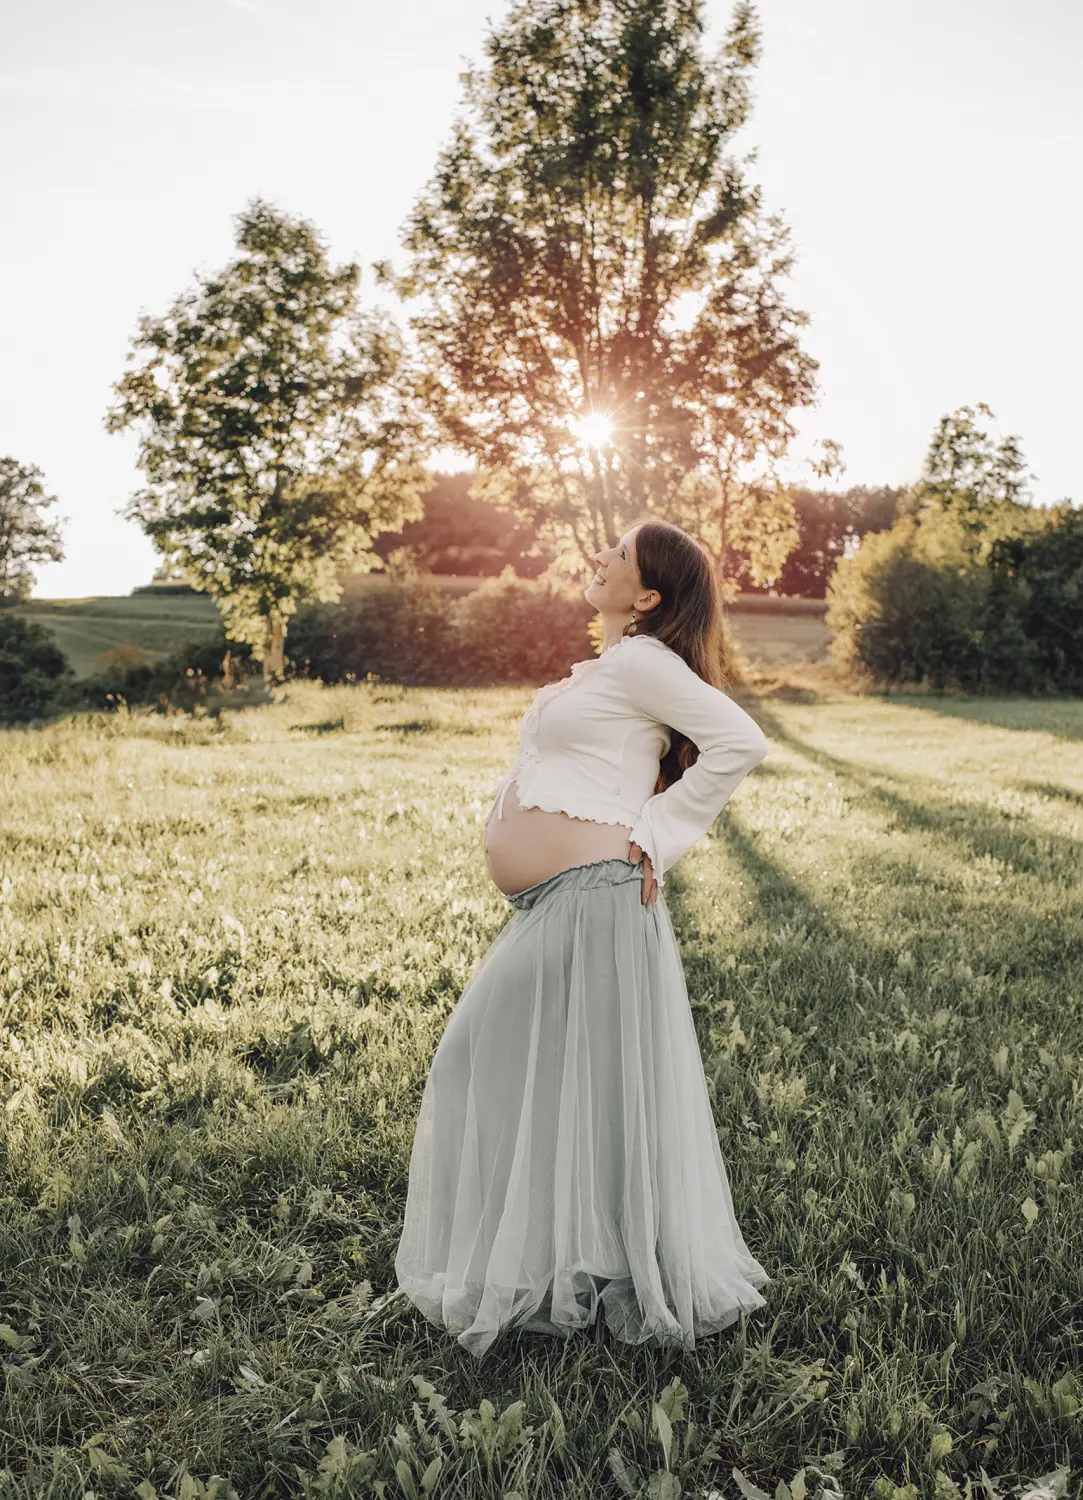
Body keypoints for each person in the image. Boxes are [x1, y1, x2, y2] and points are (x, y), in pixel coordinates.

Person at [394, 518, 771, 1359]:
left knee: (482, 1066)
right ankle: (572, 1266)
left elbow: (739, 741)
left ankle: (590, 1268)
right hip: (565, 900)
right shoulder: (613, 667)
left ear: (646, 596)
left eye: (619, 557)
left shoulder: (641, 660)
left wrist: (658, 832)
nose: (600, 557)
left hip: (594, 895)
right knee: (570, 1085)